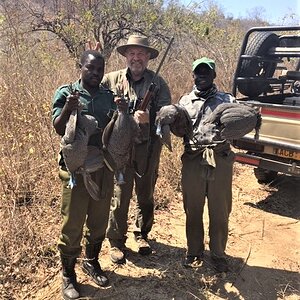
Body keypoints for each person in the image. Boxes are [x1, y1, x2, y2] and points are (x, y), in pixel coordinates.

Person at [52, 50, 127, 300]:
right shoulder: (67, 93)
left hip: (102, 169)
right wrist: (68, 109)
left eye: (99, 69)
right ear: (81, 67)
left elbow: (116, 130)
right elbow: (58, 128)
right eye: (90, 68)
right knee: (72, 225)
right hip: (76, 170)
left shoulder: (108, 96)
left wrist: (123, 112)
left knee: (98, 222)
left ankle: (91, 262)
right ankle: (68, 275)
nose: (95, 73)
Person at [102, 35, 171, 264]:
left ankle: (142, 234)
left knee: (146, 192)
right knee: (120, 194)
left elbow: (167, 114)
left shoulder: (159, 83)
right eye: (132, 53)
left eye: (141, 53)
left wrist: (150, 117)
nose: (136, 58)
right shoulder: (110, 80)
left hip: (148, 148)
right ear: (125, 56)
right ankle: (116, 241)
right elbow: (94, 99)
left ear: (149, 57)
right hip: (120, 149)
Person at [178, 57, 235, 272]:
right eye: (198, 72)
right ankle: (193, 251)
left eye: (206, 72)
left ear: (214, 75)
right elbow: (178, 129)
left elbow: (239, 126)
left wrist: (251, 119)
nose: (201, 76)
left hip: (220, 158)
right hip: (193, 159)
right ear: (193, 75)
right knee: (192, 208)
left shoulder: (227, 100)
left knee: (220, 209)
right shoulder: (184, 101)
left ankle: (218, 254)